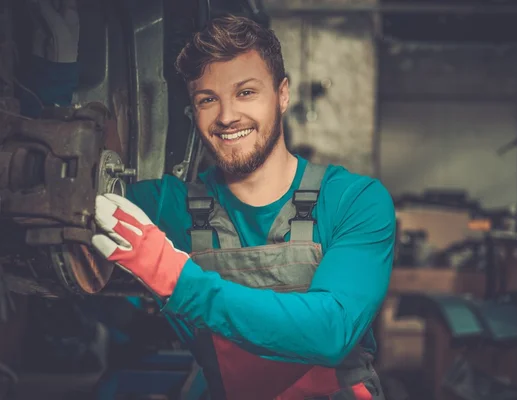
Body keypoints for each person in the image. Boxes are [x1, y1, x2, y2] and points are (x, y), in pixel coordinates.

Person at [91, 14, 396, 400]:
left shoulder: (354, 201)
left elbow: (331, 333)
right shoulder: (169, 206)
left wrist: (176, 279)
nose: (227, 116)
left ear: (282, 95)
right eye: (207, 99)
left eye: (246, 92)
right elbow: (71, 202)